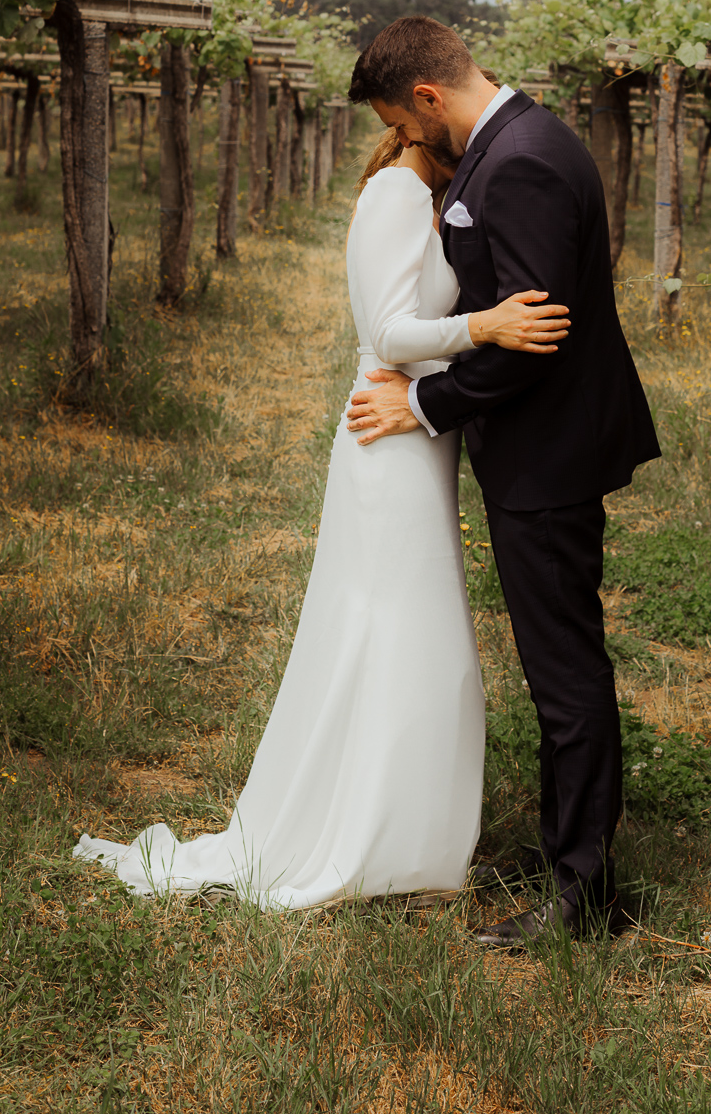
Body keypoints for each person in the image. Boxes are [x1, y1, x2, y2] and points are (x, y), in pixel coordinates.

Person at [72, 121, 569, 906]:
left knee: (415, 632)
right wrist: (485, 325)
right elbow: (387, 334)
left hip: (417, 431)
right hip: (388, 434)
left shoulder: (426, 198)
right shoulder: (391, 195)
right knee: (400, 630)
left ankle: (405, 839)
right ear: (415, 119)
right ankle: (369, 838)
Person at [345, 16, 660, 947]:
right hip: (543, 448)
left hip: (549, 451)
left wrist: (427, 403)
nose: (408, 141)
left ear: (429, 97)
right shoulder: (528, 136)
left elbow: (536, 333)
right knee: (553, 661)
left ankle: (585, 895)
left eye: (406, 121)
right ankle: (568, 846)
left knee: (565, 671)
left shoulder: (517, 160)